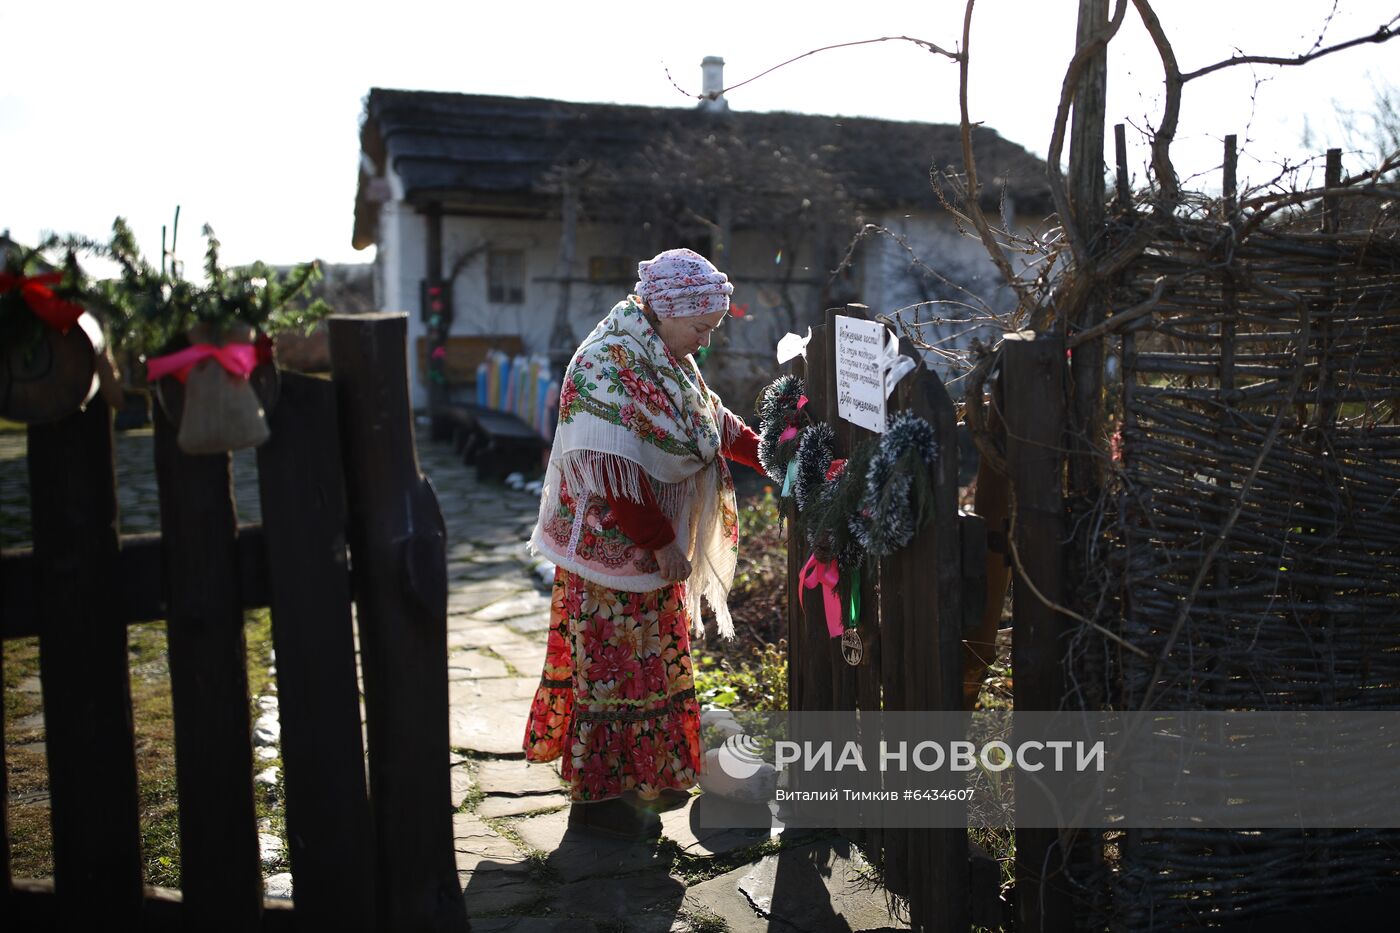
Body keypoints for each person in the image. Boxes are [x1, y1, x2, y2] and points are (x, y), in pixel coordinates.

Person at [523, 248, 762, 836]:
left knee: (650, 664)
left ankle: (645, 777)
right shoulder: (607, 362)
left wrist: (772, 455)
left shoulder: (663, 355)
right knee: (613, 667)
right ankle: (607, 792)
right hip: (610, 556)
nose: (704, 342)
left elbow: (706, 422)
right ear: (667, 308)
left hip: (649, 549)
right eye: (700, 327)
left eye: (711, 329)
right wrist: (660, 544)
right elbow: (613, 470)